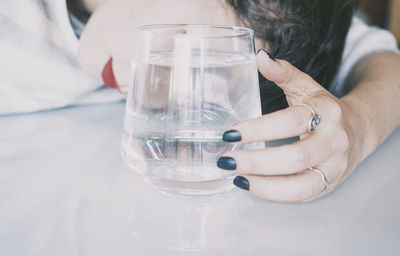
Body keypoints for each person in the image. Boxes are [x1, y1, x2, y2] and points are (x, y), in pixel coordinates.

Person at [1, 0, 399, 203]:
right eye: (192, 49)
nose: (166, 99)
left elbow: (378, 60)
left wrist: (360, 124)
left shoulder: (272, 22)